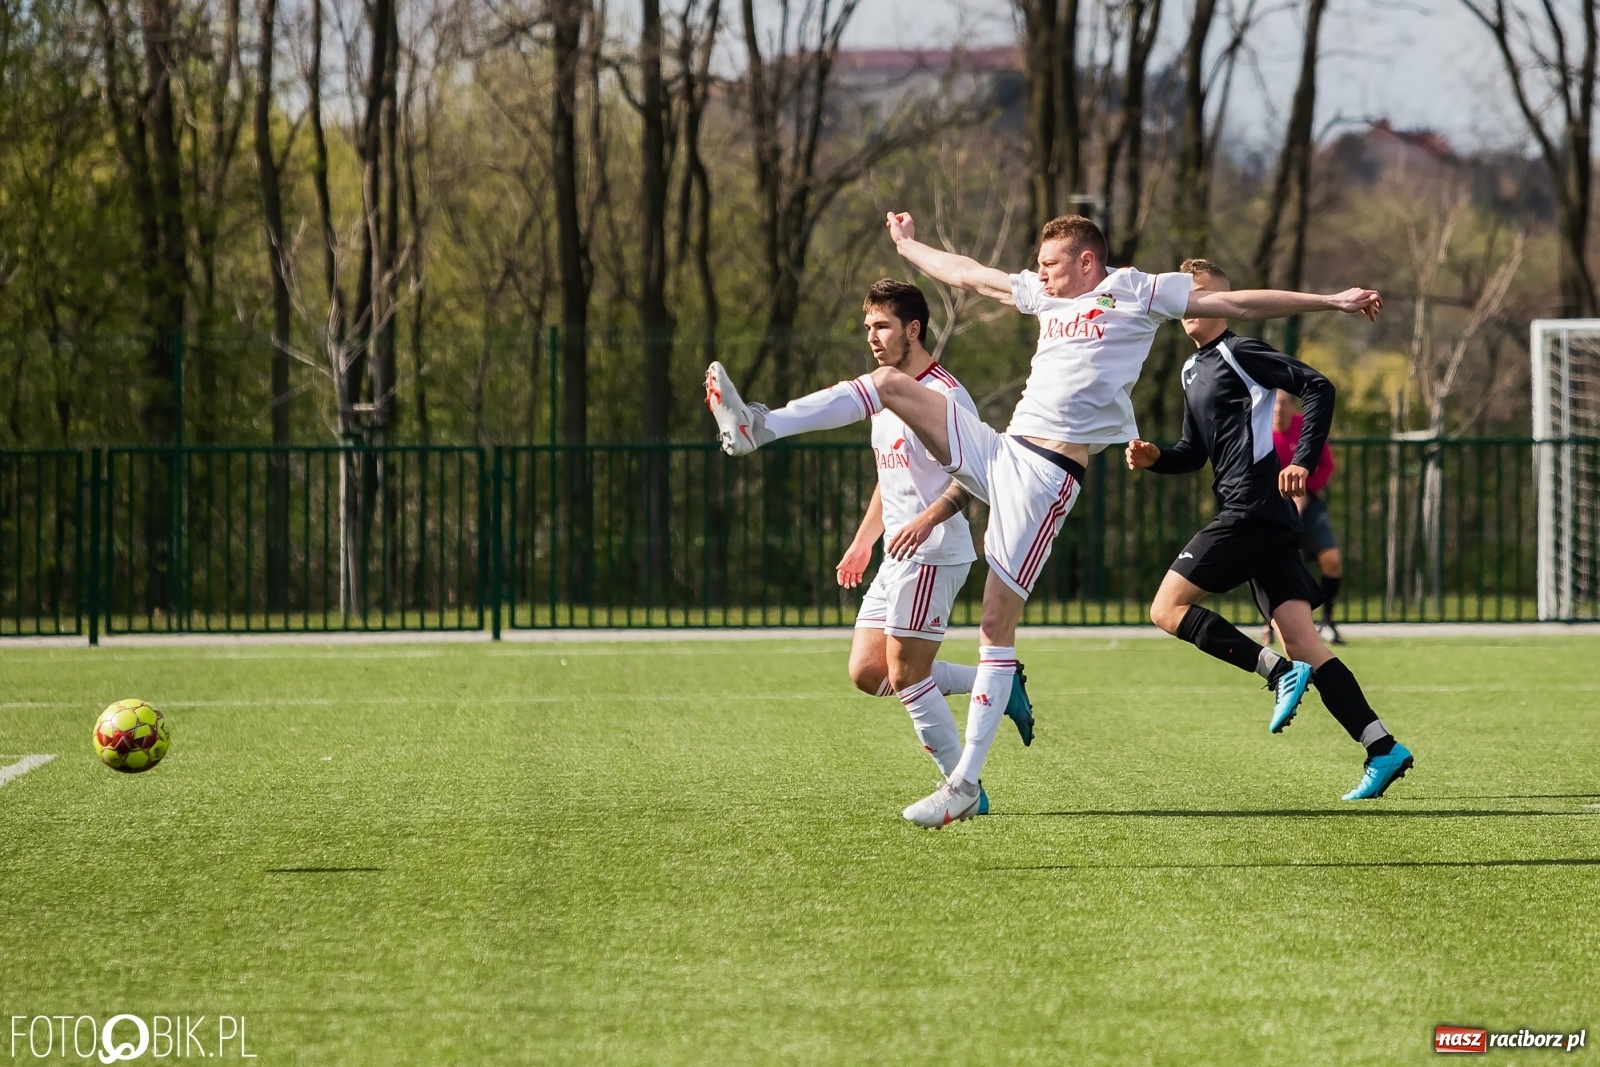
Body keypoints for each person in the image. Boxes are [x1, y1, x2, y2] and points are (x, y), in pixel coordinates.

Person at [706, 212, 1383, 826]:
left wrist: (1331, 300)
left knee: (994, 626)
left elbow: (1235, 300)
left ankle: (965, 782)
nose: (1041, 272)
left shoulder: (1139, 291)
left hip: (1046, 477)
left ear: (1088, 261)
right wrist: (909, 246)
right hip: (1002, 449)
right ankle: (756, 426)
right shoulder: (1043, 296)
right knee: (888, 388)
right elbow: (972, 275)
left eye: (1052, 262)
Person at [1126, 259, 1412, 801]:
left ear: (1224, 301)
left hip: (1253, 511)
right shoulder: (1192, 371)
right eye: (1184, 294)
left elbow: (1318, 386)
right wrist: (1155, 457)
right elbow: (1193, 452)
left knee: (1166, 609)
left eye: (1201, 292)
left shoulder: (1241, 351)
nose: (1189, 303)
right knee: (1305, 643)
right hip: (1266, 519)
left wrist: (1302, 458)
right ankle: (1383, 748)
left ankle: (1272, 671)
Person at [831, 281, 1035, 816]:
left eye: (882, 326)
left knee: (905, 673)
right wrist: (861, 542)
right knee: (868, 674)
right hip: (896, 556)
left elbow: (975, 476)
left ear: (912, 329)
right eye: (868, 327)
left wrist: (925, 520)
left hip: (935, 552)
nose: (872, 337)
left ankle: (963, 791)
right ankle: (999, 681)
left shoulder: (945, 395)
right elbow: (889, 475)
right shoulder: (886, 390)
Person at [1268, 390, 1345, 645]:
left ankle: (1327, 622)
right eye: (1275, 404)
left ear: (1292, 406)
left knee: (1331, 559)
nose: (1279, 409)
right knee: (1270, 563)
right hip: (1271, 505)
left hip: (1307, 502)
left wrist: (1303, 489)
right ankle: (1271, 624)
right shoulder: (1259, 429)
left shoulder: (1306, 428)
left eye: (1284, 403)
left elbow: (1326, 465)